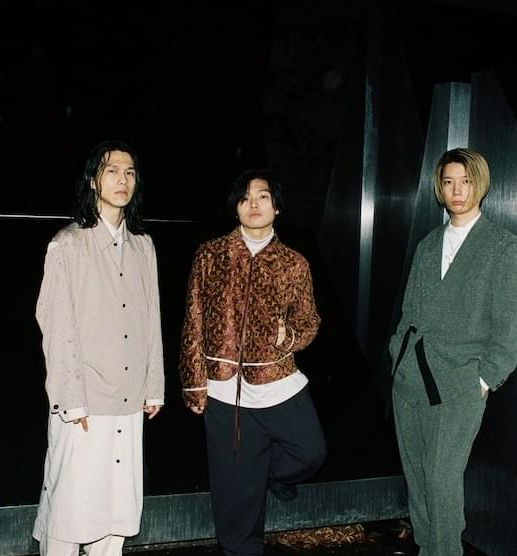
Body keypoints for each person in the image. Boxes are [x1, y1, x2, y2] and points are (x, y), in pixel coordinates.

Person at [179, 169, 326, 556]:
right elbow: (193, 320)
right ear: (236, 207)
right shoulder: (210, 255)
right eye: (245, 198)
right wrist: (193, 382)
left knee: (310, 452)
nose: (254, 204)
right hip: (223, 391)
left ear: (277, 207)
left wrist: (288, 337)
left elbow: (309, 321)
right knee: (233, 496)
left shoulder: (294, 263)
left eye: (262, 196)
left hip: (278, 382)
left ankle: (268, 475)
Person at [389, 148, 517, 556]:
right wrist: (397, 354)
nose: (457, 190)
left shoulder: (503, 246)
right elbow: (409, 310)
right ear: (440, 188)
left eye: (466, 181)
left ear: (480, 185)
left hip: (460, 384)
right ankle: (425, 547)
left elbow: (508, 327)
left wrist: (483, 380)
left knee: (442, 479)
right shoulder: (429, 244)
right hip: (409, 379)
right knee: (417, 480)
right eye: (449, 182)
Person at [33, 139, 165, 556]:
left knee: (114, 510)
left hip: (128, 400)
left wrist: (154, 385)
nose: (122, 179)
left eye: (129, 172)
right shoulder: (69, 244)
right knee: (70, 509)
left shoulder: (143, 245)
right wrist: (71, 399)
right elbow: (56, 326)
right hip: (85, 402)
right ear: (93, 180)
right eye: (111, 171)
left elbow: (151, 318)